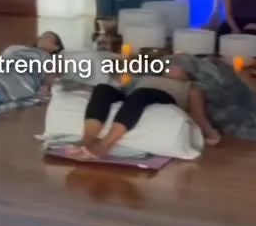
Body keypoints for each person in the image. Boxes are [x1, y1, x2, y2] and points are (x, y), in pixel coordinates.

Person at [64, 61, 220, 160]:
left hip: (163, 98)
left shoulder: (191, 87)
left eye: (178, 65)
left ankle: (104, 145)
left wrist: (210, 132)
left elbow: (198, 115)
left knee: (141, 93)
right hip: (135, 96)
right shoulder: (146, 78)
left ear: (187, 73)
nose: (171, 66)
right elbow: (122, 84)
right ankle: (87, 140)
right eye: (170, 64)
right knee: (102, 88)